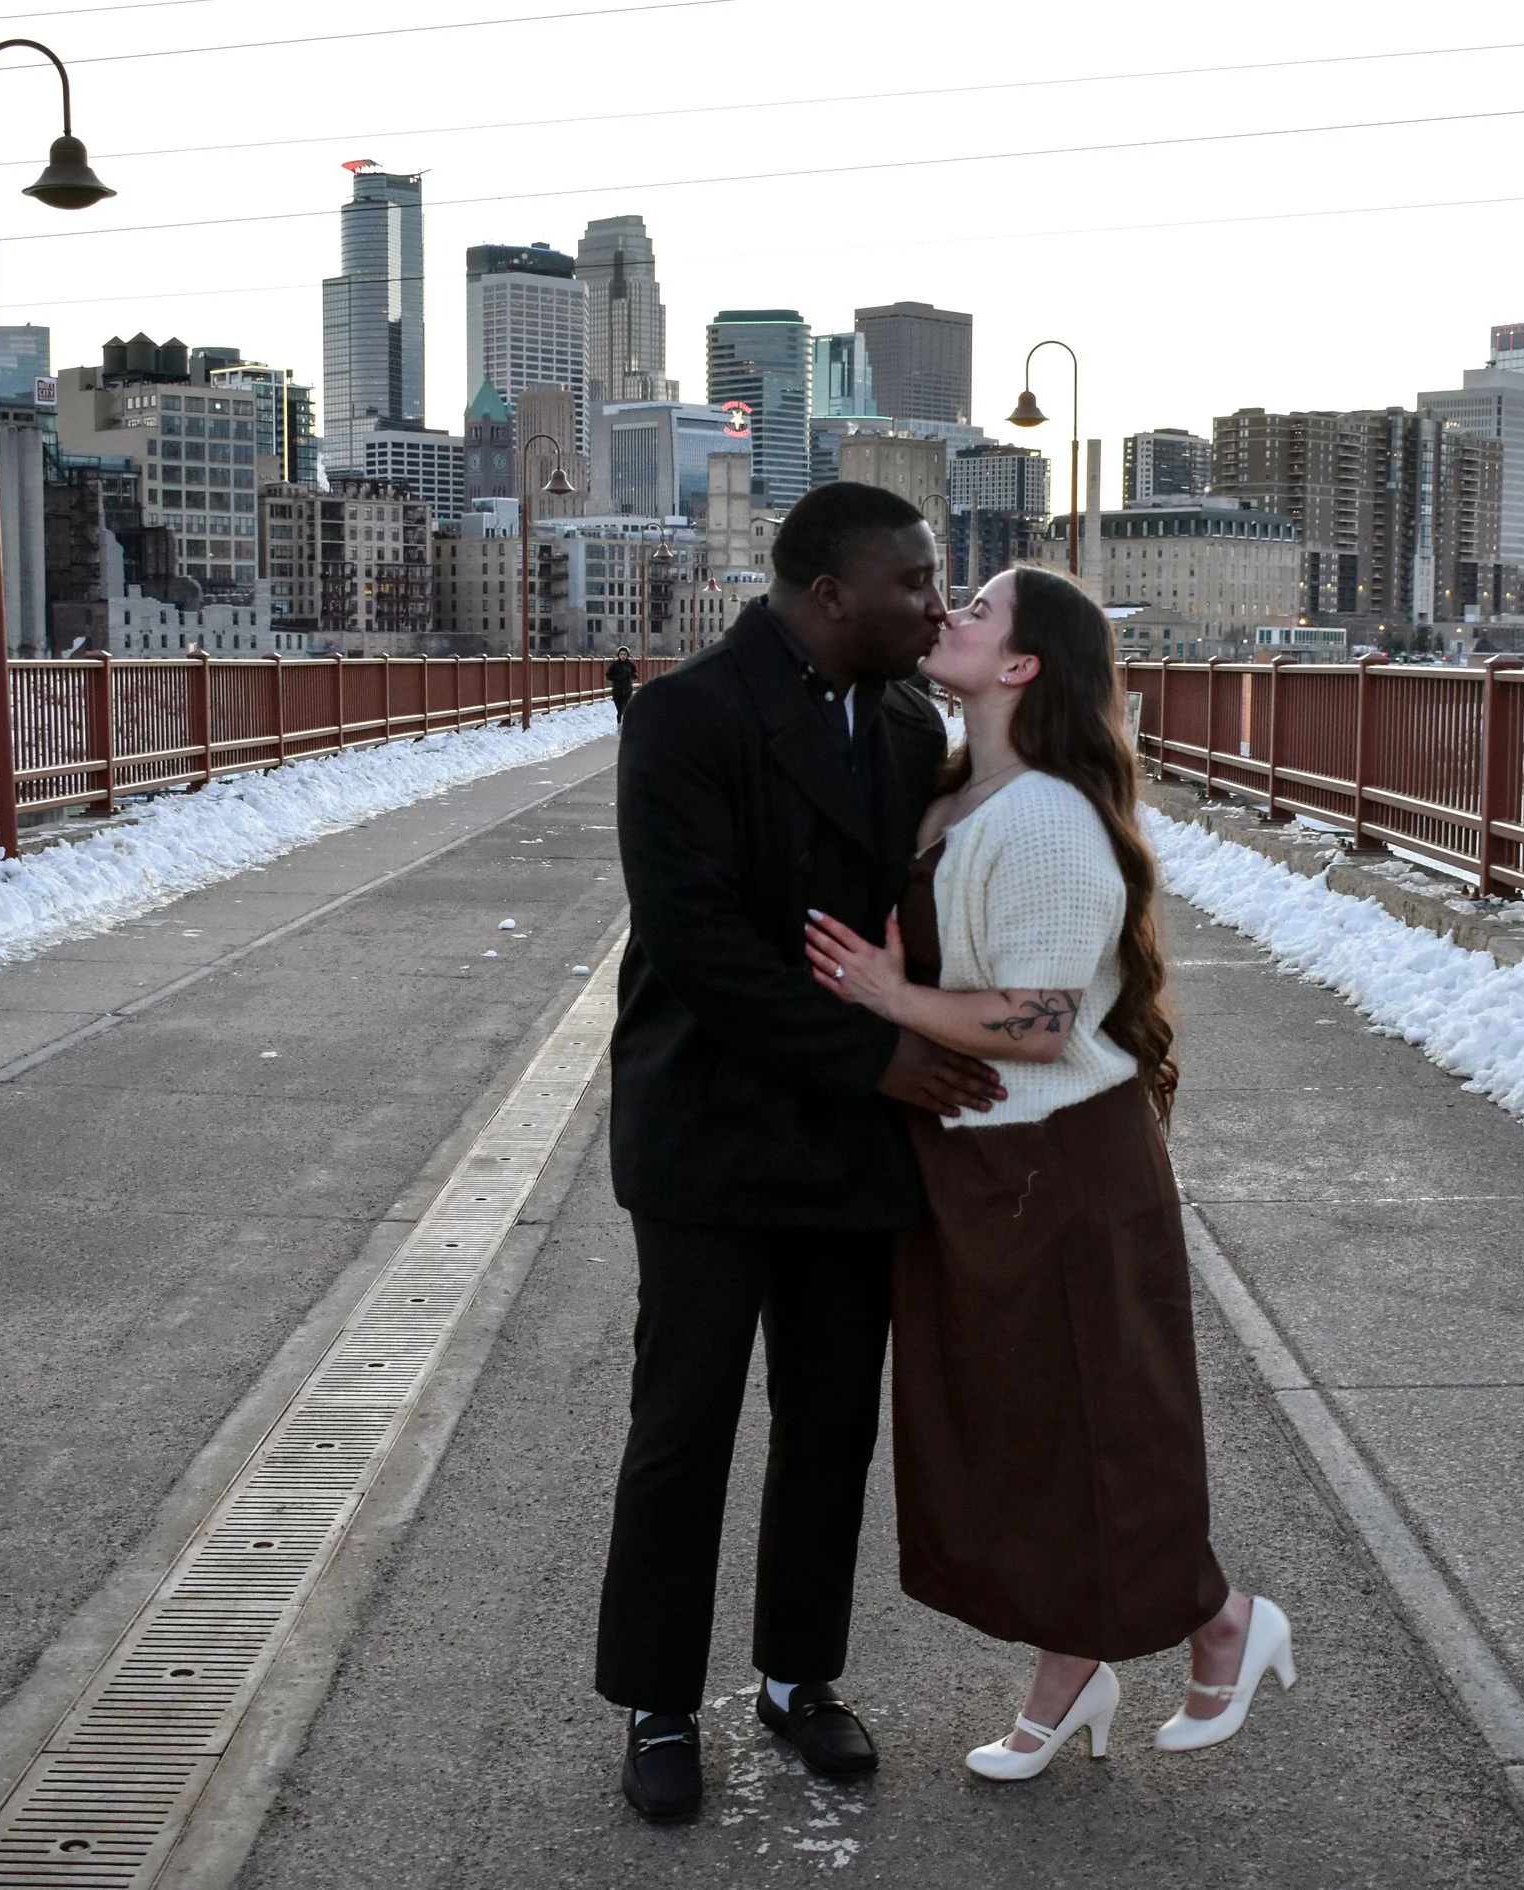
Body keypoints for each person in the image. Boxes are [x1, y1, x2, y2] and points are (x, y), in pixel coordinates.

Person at [805, 565, 1291, 1781]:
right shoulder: (961, 792)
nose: (949, 615)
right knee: (1021, 1432)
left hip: (1060, 1163)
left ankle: (1221, 1618)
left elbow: (1035, 1022)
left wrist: (884, 994)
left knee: (1102, 1420)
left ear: (1021, 667)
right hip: (981, 1158)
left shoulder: (1051, 821)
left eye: (977, 610)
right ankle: (1074, 1678)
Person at [598, 482, 1007, 1821]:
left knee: (830, 1422)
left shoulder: (904, 726)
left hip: (843, 1147)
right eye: (914, 583)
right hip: (711, 1132)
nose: (936, 605)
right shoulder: (685, 719)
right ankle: (661, 1700)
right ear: (830, 594)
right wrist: (883, 1054)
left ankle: (797, 1679)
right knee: (686, 1422)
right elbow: (702, 948)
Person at [605, 645, 638, 721]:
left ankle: (625, 720)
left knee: (625, 706)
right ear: (618, 655)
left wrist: (634, 675)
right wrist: (617, 678)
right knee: (619, 707)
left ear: (627, 655)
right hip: (617, 690)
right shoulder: (614, 665)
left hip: (627, 689)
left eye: (625, 654)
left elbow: (635, 673)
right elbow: (608, 675)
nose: (623, 656)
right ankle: (619, 716)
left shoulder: (630, 664)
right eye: (621, 654)